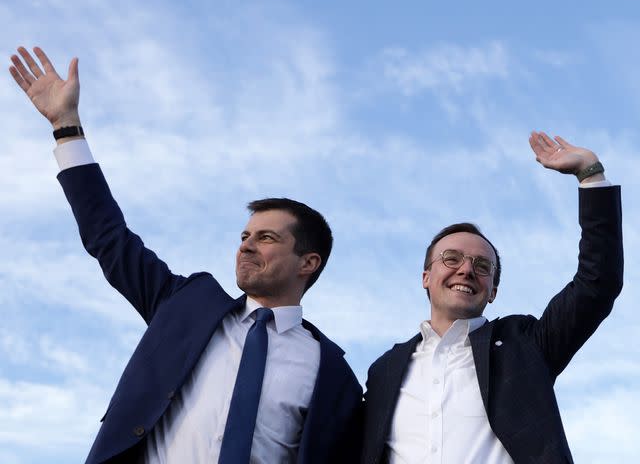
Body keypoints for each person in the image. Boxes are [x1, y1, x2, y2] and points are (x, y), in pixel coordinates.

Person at [9, 46, 362, 464]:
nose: (246, 245)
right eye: (244, 235)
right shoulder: (186, 304)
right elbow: (109, 237)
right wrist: (66, 126)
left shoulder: (332, 373)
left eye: (266, 237)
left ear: (309, 262)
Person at [360, 132, 623, 463]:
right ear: (426, 277)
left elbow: (596, 284)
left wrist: (590, 173)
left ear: (493, 291)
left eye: (482, 266)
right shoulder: (385, 369)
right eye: (451, 259)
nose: (466, 270)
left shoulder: (526, 345)